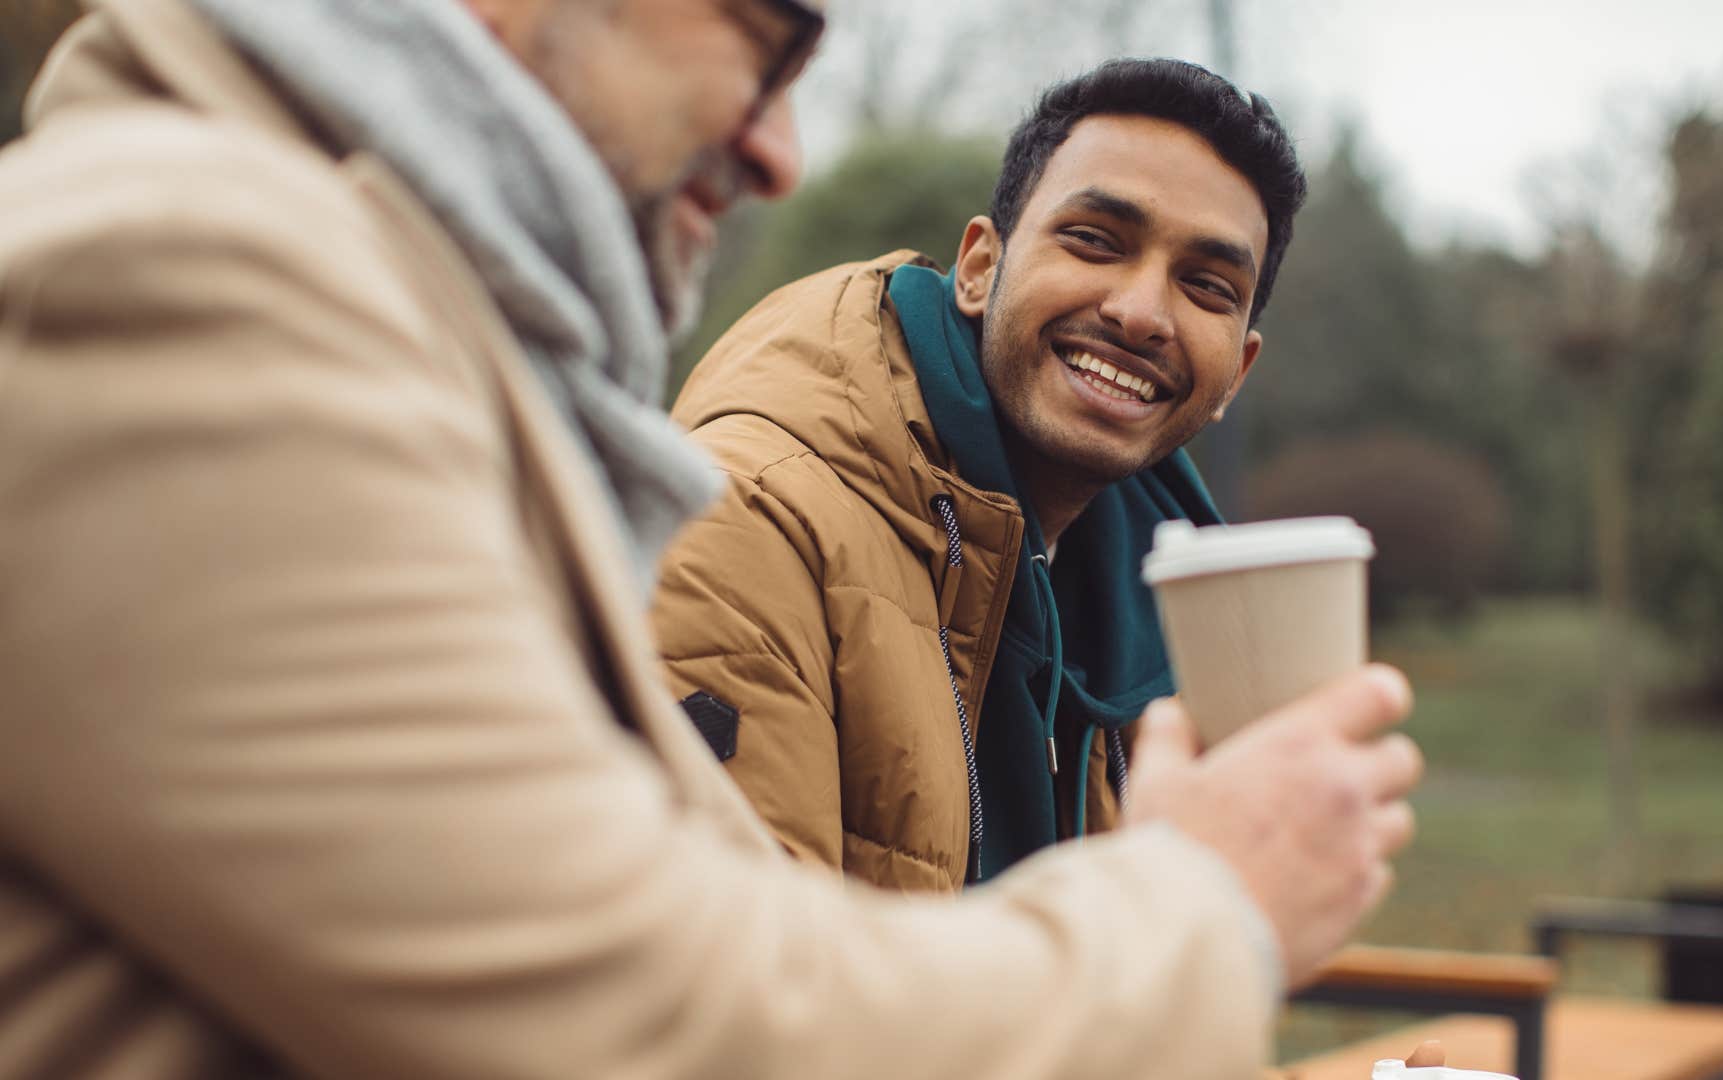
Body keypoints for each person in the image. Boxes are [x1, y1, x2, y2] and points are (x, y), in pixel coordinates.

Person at [0, 2, 1422, 1078]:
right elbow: (657, 1013)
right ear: (983, 260)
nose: (779, 153)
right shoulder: (185, 274)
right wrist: (1206, 907)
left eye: (1205, 282)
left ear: (1246, 360)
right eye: (758, 37)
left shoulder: (1126, 583)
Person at [654, 59, 1304, 889]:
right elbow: (738, 989)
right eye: (1096, 241)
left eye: (1207, 287)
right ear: (979, 268)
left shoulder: (1163, 619)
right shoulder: (745, 521)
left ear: (1236, 375)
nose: (1141, 313)